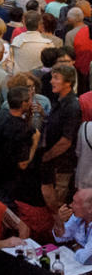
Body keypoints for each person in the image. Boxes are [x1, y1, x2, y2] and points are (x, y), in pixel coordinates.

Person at [41, 62, 82, 218]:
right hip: (55, 165)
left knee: (57, 207)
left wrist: (46, 157)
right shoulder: (59, 101)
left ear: (68, 83)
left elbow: (66, 141)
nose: (51, 81)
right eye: (52, 77)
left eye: (56, 78)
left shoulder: (72, 106)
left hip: (62, 166)